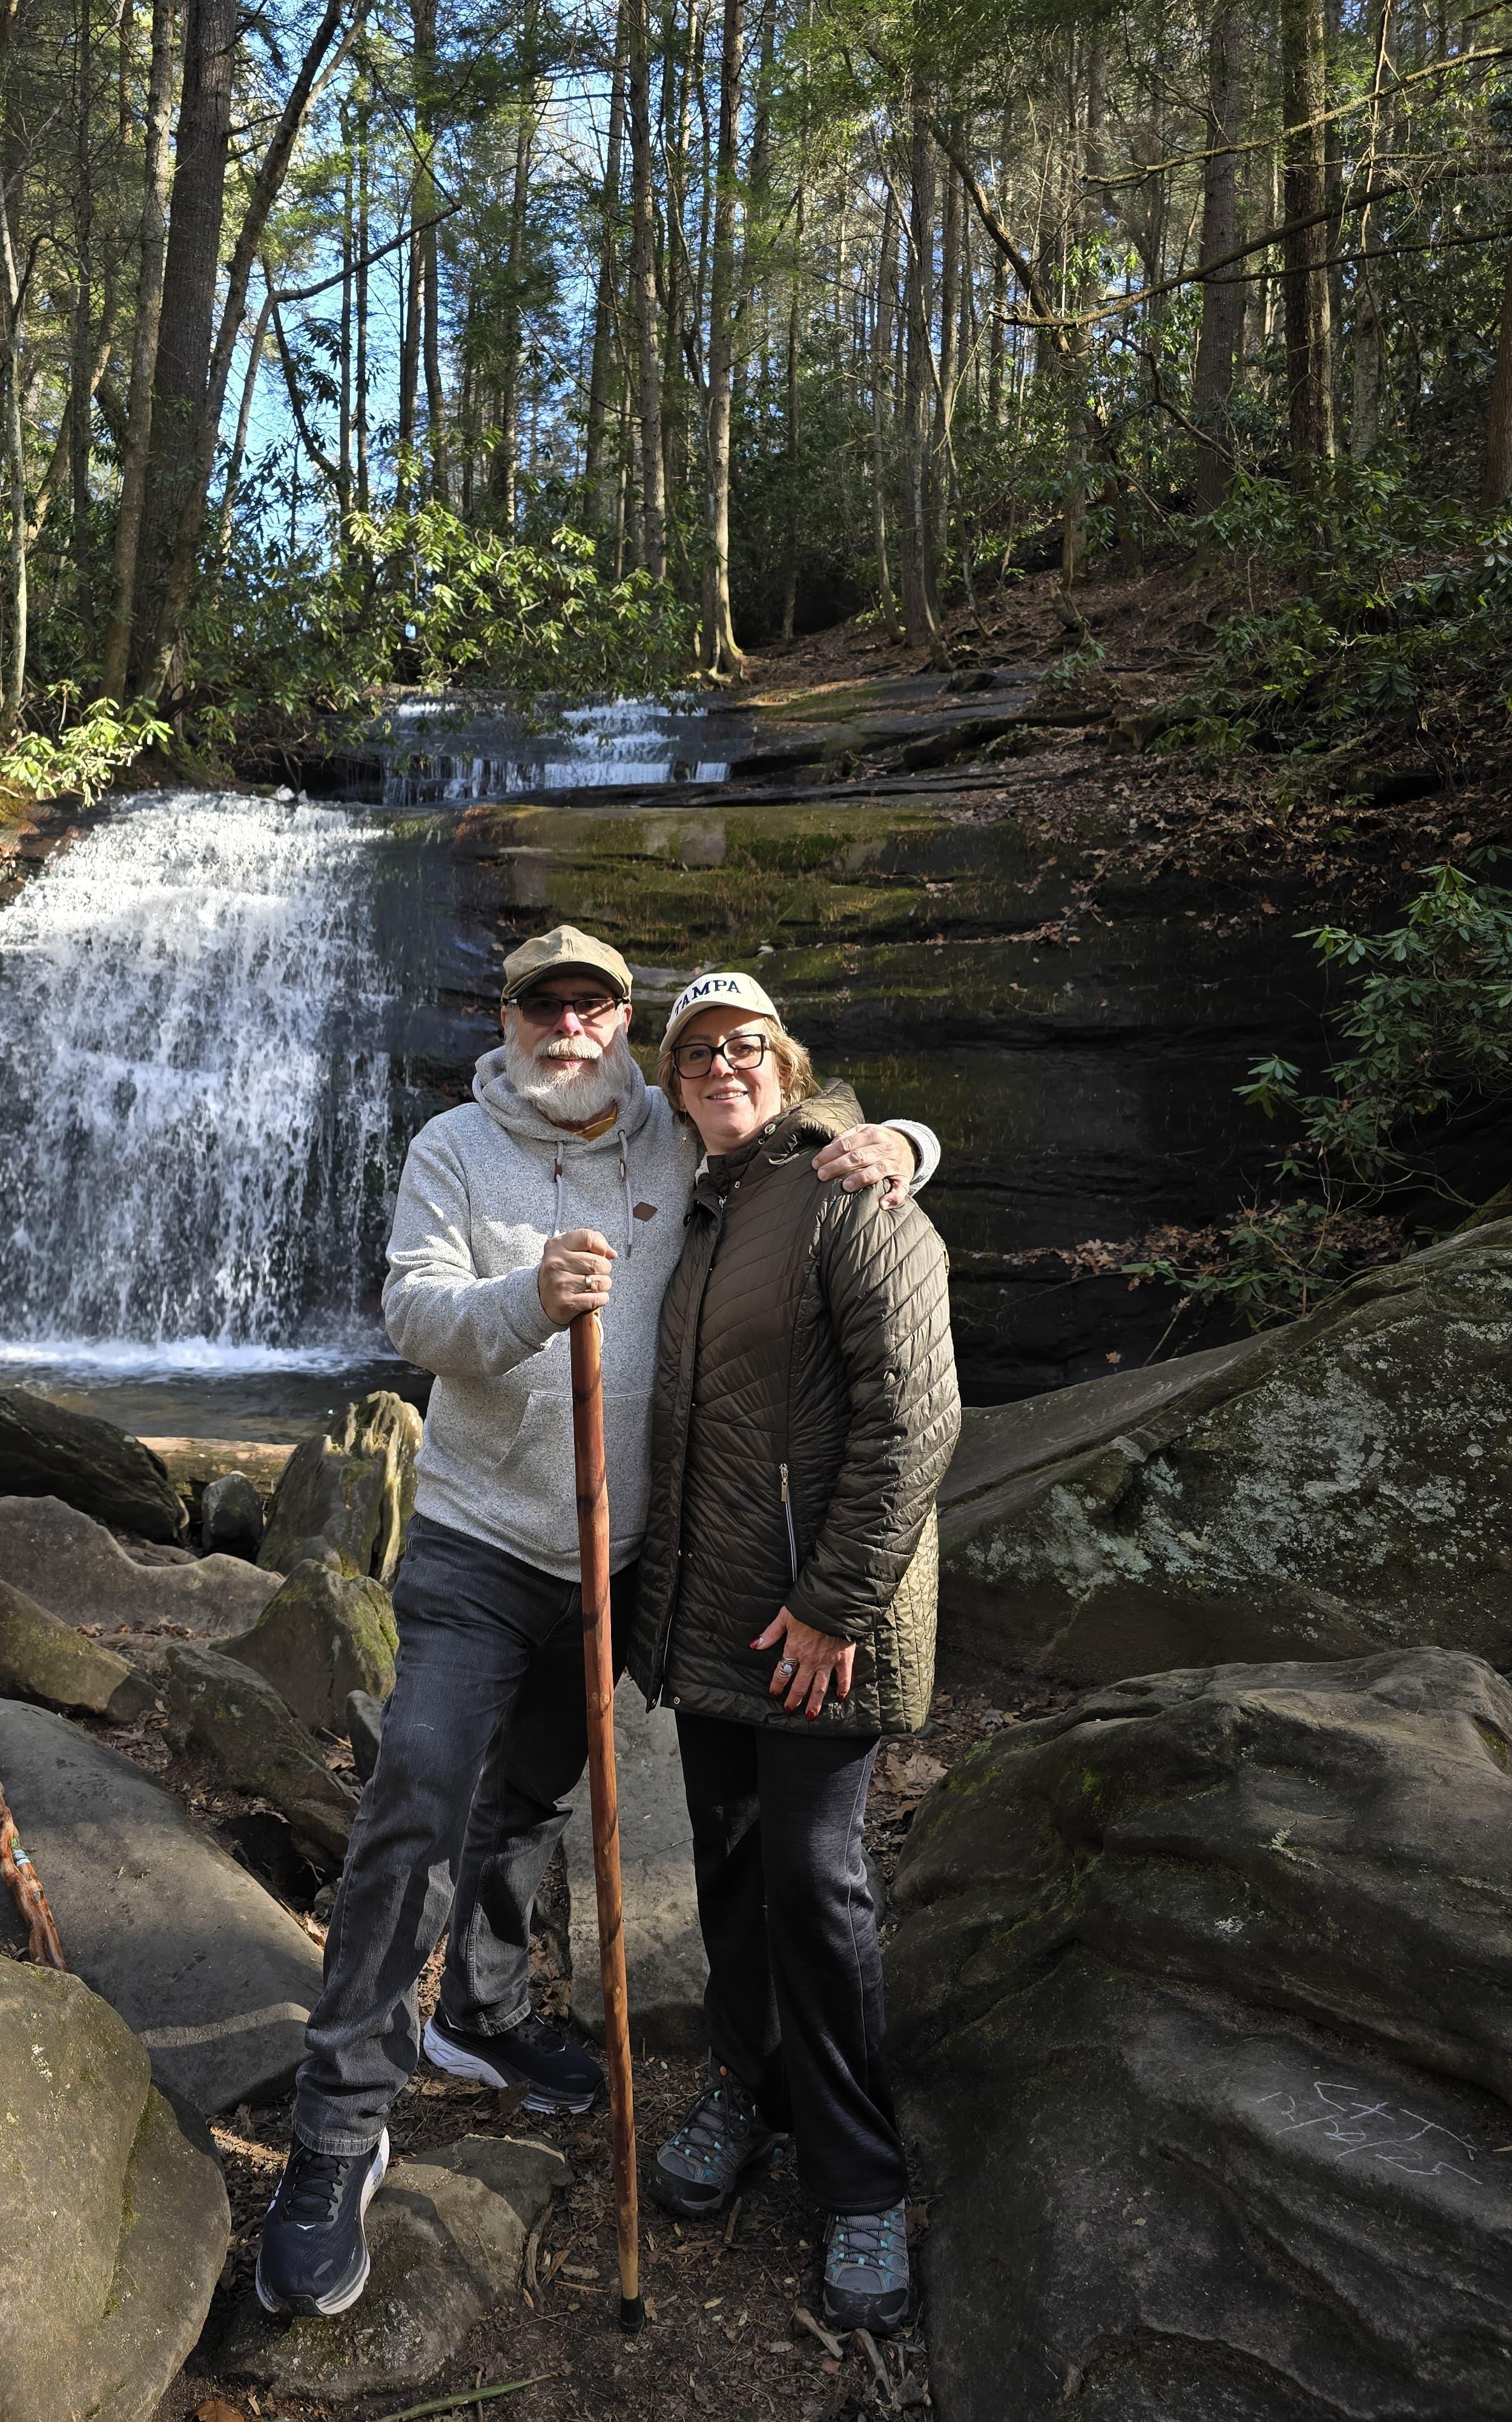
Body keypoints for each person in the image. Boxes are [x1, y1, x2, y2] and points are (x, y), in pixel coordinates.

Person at [256, 925, 942, 2320]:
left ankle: (486, 2013)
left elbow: (800, 1131)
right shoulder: (455, 1146)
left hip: (623, 1563)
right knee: (422, 1795)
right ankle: (338, 2129)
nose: (569, 1024)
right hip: (480, 1542)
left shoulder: (680, 1140)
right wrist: (526, 1298)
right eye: (543, 1002)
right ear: (508, 1017)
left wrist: (906, 1142)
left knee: (533, 1794)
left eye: (596, 1003)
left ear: (626, 1024)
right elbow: (412, 1310)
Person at [625, 969, 960, 2340]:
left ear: (789, 1059)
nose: (723, 1064)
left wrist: (835, 1604)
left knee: (815, 1886)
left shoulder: (850, 1186)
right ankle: (748, 2088)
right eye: (697, 1050)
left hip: (818, 1624)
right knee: (728, 1863)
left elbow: (916, 1413)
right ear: (673, 1083)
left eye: (746, 1043)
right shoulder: (701, 1205)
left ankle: (859, 2173)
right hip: (714, 1614)